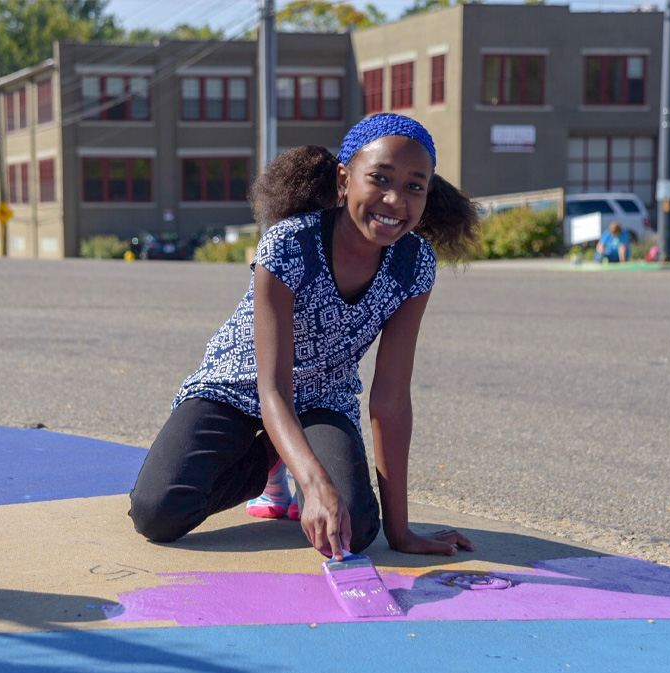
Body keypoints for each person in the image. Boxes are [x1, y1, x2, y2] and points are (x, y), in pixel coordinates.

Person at [129, 113, 479, 561]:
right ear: (343, 179)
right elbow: (271, 388)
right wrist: (314, 484)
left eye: (415, 186)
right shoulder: (288, 245)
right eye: (379, 178)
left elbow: (390, 399)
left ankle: (292, 460)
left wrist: (401, 532)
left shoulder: (414, 265)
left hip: (322, 399)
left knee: (355, 526)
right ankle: (272, 465)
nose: (395, 200)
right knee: (157, 513)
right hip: (237, 387)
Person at [244, 145, 340, 521]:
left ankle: (276, 487)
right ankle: (290, 487)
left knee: (281, 404)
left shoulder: (281, 242)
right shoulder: (297, 243)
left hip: (276, 374)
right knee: (288, 408)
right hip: (312, 379)